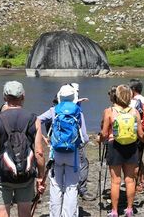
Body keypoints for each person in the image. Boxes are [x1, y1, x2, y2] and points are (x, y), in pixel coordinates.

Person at [0, 81, 46, 217]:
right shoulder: (33, 119)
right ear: (23, 96)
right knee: (25, 211)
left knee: (2, 211)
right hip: (26, 174)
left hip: (3, 175)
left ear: (4, 98)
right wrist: (40, 176)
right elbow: (39, 152)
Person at [38, 84, 91, 217]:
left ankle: (55, 214)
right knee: (71, 187)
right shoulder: (78, 111)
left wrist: (44, 137)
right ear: (75, 97)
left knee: (56, 187)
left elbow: (37, 120)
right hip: (73, 155)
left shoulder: (53, 110)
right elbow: (84, 137)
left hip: (56, 154)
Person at [100, 85, 144, 217]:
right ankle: (129, 209)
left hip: (115, 146)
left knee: (115, 181)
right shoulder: (134, 112)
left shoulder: (109, 111)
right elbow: (140, 134)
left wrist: (100, 138)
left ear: (117, 96)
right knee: (130, 180)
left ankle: (114, 211)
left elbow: (104, 133)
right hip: (131, 146)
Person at [128, 78, 144, 194]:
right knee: (139, 158)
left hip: (136, 134)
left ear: (133, 89)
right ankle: (142, 181)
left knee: (134, 160)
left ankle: (137, 184)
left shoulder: (134, 102)